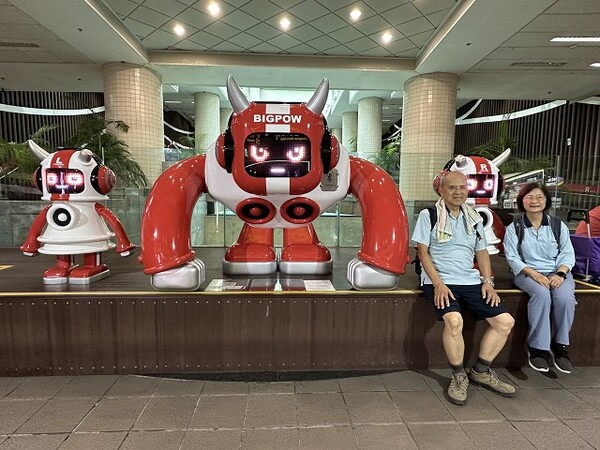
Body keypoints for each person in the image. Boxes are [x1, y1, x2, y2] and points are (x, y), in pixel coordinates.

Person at [412, 171, 516, 406]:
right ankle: (459, 375)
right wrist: (438, 284)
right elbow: (422, 252)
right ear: (441, 190)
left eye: (462, 187)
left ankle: (480, 371)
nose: (458, 192)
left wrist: (488, 282)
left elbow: (482, 252)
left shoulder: (474, 217)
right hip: (440, 280)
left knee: (505, 322)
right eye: (452, 187)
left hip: (471, 280)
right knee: (454, 321)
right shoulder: (429, 215)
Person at [504, 182, 576, 374]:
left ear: (547, 201)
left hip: (557, 272)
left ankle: (560, 346)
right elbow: (512, 257)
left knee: (565, 298)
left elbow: (567, 253)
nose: (534, 201)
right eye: (529, 197)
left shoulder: (557, 225)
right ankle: (537, 348)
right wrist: (535, 275)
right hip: (527, 273)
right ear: (522, 201)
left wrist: (560, 274)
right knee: (542, 295)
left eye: (539, 197)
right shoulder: (515, 227)